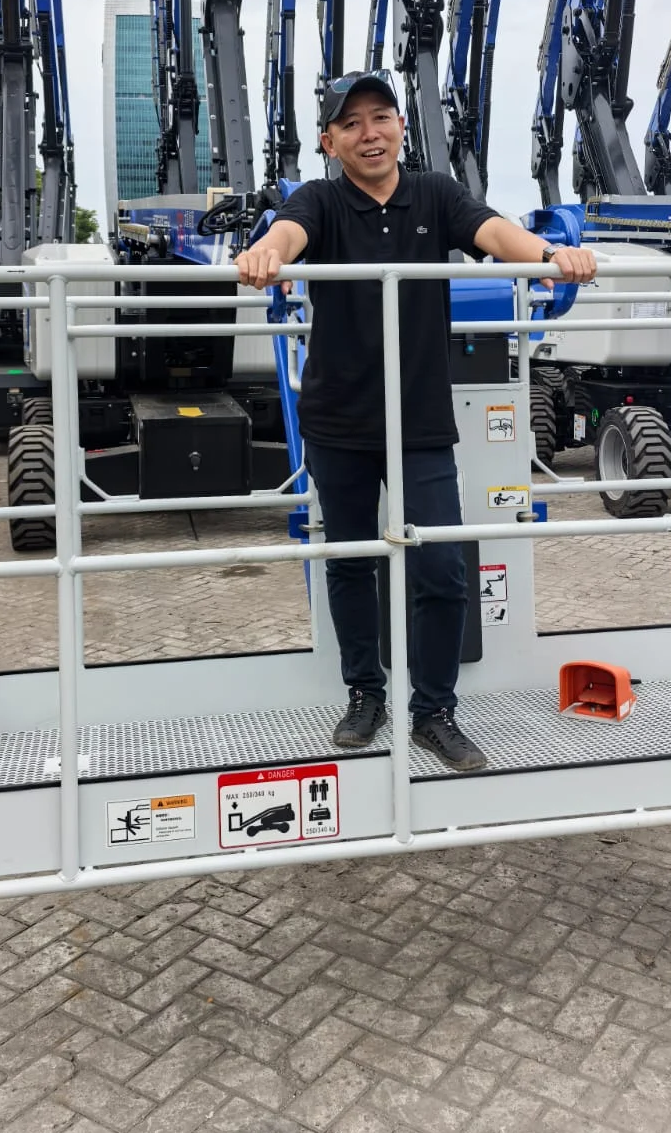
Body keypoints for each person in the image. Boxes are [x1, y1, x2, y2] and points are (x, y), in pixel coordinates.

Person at [235, 71, 596, 771]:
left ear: (402, 126)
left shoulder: (435, 193)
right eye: (351, 124)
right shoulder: (321, 200)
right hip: (339, 420)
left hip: (421, 419)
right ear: (329, 142)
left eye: (381, 117)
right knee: (350, 561)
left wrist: (553, 256)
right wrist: (268, 254)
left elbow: (494, 232)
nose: (369, 133)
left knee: (441, 567)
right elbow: (288, 231)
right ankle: (364, 694)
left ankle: (434, 711)